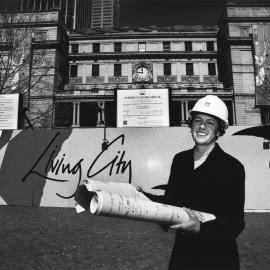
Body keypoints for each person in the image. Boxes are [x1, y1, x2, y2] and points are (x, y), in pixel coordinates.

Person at [142, 95, 245, 270]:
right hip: (183, 255)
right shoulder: (180, 160)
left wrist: (200, 228)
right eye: (197, 121)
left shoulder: (233, 167)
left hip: (218, 258)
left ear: (220, 130)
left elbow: (235, 223)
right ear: (191, 126)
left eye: (210, 122)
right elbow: (171, 202)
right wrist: (142, 196)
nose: (202, 126)